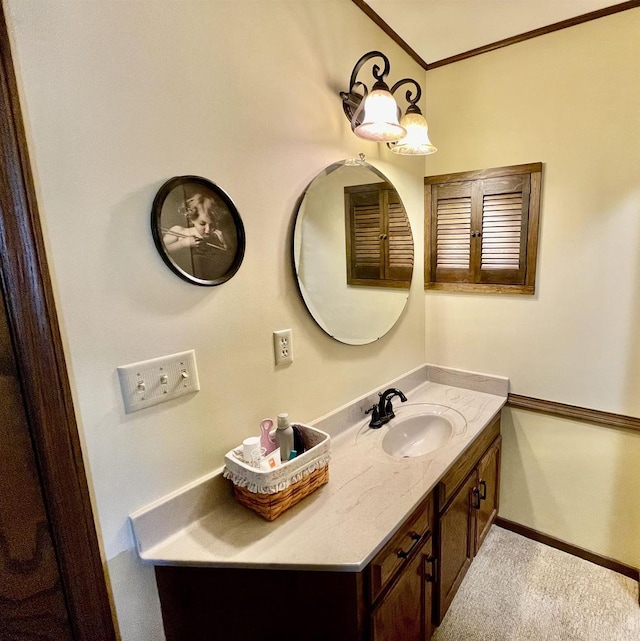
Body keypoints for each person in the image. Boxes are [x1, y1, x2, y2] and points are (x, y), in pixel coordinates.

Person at [163, 193, 227, 256]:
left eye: (212, 225)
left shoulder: (217, 236)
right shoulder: (178, 231)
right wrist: (182, 244)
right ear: (192, 219)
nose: (207, 230)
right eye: (202, 224)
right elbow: (162, 249)